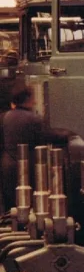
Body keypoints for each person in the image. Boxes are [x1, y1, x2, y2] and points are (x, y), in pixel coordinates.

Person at [0, 83, 64, 213]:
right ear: (27, 99)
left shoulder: (4, 117)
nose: (34, 101)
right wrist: (70, 134)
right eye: (33, 98)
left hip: (7, 166)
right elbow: (49, 136)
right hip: (27, 168)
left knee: (11, 206)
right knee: (29, 204)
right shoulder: (33, 119)